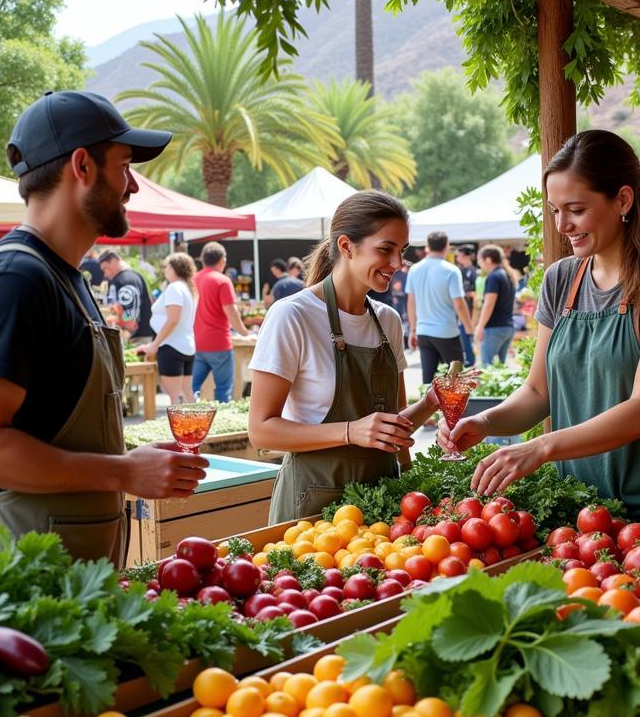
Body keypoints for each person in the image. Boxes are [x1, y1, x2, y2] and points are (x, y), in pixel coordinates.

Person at [0, 89, 207, 564]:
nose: (132, 185)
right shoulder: (15, 279)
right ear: (82, 166)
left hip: (67, 578)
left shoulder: (67, 278)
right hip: (13, 584)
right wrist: (122, 473)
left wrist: (129, 459)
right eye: (125, 165)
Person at [440, 129, 640, 519]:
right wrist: (484, 422)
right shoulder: (561, 279)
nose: (562, 226)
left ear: (622, 199)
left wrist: (540, 448)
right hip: (585, 511)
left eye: (576, 210)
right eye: (555, 210)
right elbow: (539, 392)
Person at [248, 191, 443, 522]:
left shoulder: (388, 321)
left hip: (382, 508)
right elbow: (261, 431)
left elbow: (390, 427)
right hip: (311, 511)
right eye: (386, 249)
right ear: (346, 247)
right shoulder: (292, 316)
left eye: (402, 251)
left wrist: (429, 403)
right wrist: (351, 431)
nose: (398, 264)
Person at [406, 231, 475, 384]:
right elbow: (459, 303)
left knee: (428, 382)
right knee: (456, 382)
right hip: (446, 332)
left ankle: (428, 409)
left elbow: (411, 302)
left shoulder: (415, 269)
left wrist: (412, 330)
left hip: (423, 331)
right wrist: (469, 328)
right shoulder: (451, 270)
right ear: (446, 247)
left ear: (427, 247)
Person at [193, 242, 252, 402]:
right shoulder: (222, 281)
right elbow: (231, 313)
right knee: (223, 390)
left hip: (196, 342)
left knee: (192, 388)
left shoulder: (193, 279)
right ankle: (221, 422)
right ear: (222, 260)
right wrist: (245, 333)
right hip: (219, 343)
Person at [139, 252, 197, 404]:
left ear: (174, 268)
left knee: (176, 397)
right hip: (185, 345)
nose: (165, 270)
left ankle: (182, 428)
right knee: (186, 395)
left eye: (167, 267)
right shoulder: (187, 288)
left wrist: (155, 344)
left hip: (171, 346)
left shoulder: (175, 288)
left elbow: (173, 319)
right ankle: (197, 427)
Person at [474, 245, 516, 365]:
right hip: (507, 327)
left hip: (494, 328)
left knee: (487, 368)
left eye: (479, 260)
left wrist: (480, 326)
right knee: (500, 369)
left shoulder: (493, 276)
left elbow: (489, 303)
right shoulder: (507, 275)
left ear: (488, 259)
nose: (478, 263)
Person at [99, 250, 153, 339]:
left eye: (106, 268)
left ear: (114, 261)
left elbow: (130, 317)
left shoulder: (126, 280)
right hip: (134, 335)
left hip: (136, 337)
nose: (105, 274)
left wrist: (113, 322)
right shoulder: (124, 278)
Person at [454, 246, 478, 367]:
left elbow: (477, 292)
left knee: (467, 336)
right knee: (463, 337)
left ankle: (471, 361)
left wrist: (467, 294)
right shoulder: (458, 271)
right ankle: (469, 360)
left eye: (458, 255)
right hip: (460, 310)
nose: (457, 258)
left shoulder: (474, 272)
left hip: (470, 310)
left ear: (467, 255)